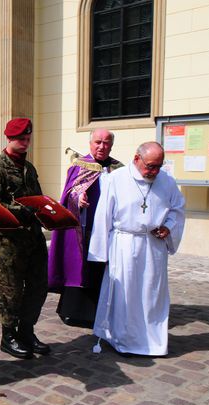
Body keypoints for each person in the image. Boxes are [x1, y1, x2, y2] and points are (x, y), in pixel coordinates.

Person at [89, 142, 185, 356]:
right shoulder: (117, 178)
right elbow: (103, 214)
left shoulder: (166, 181)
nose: (154, 172)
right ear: (136, 159)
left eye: (158, 166)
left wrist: (168, 227)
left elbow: (178, 209)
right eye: (150, 166)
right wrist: (100, 251)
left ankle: (153, 342)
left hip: (153, 246)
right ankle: (122, 339)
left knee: (152, 294)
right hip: (124, 244)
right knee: (126, 294)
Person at [47, 129, 123, 328]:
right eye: (98, 142)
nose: (102, 146)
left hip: (108, 230)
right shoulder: (79, 166)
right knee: (80, 267)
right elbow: (69, 193)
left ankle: (101, 311)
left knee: (101, 269)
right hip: (84, 228)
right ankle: (75, 311)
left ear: (111, 145)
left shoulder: (119, 169)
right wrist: (78, 197)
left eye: (106, 143)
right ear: (90, 143)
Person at [0, 118, 50, 360]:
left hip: (33, 237)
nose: (25, 143)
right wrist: (19, 211)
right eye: (20, 139)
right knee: (11, 290)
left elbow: (37, 197)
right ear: (9, 139)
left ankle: (27, 331)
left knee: (38, 287)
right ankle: (8, 336)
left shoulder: (29, 168)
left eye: (27, 139)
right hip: (11, 241)